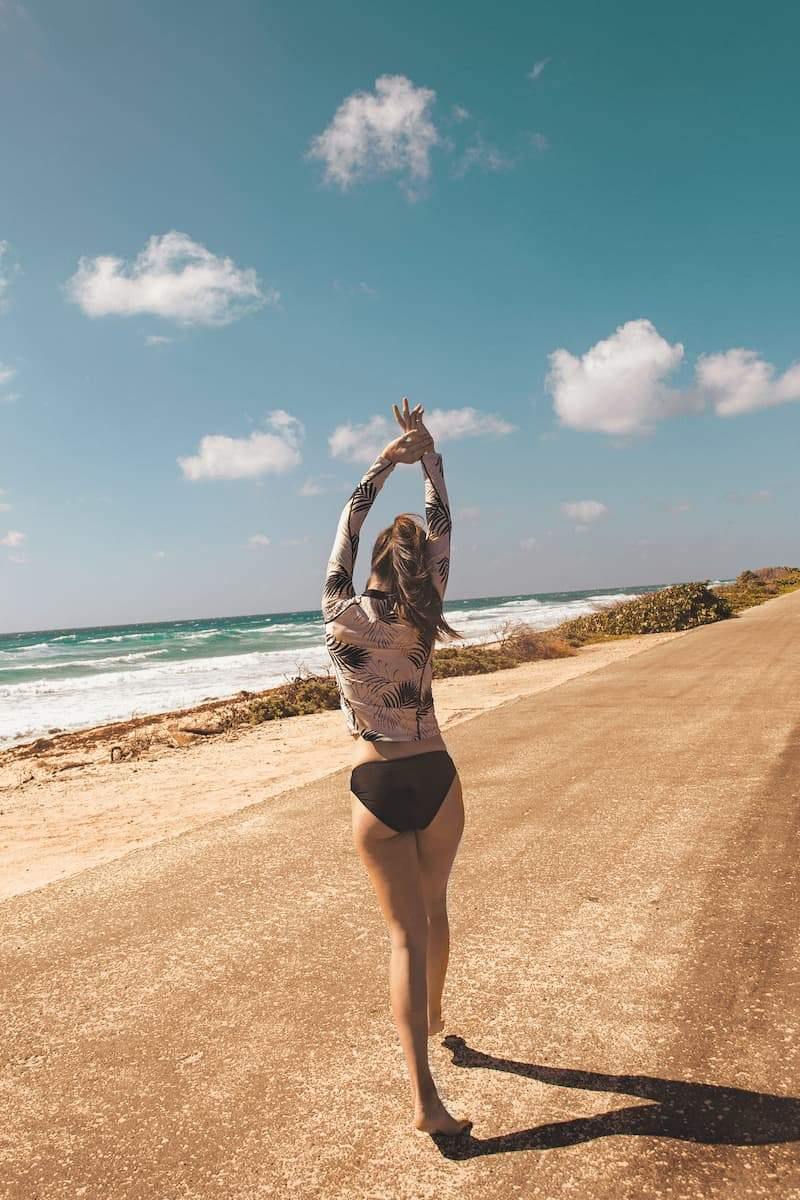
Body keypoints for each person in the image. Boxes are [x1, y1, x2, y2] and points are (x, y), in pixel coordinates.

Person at [322, 398, 472, 1138]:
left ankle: (426, 1102)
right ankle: (438, 1013)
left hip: (375, 782)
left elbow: (346, 526)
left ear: (374, 565)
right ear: (418, 570)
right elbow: (443, 525)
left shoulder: (339, 613)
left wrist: (387, 458)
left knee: (404, 937)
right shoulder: (426, 609)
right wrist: (430, 455)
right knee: (435, 910)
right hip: (436, 776)